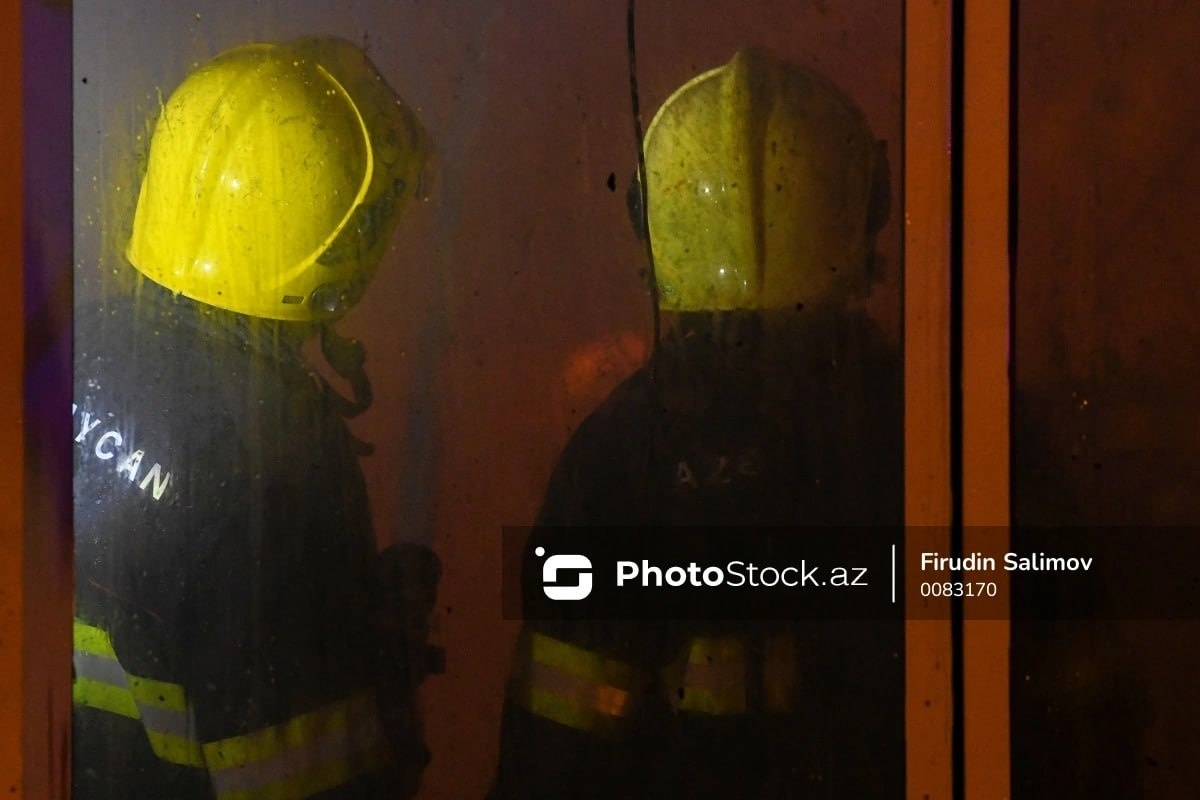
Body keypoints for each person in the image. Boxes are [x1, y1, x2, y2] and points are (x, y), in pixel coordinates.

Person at [489, 49, 903, 798]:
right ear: (863, 216)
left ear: (656, 228)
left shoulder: (619, 455)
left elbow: (555, 760)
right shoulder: (936, 427)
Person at [72, 37, 440, 799]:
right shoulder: (282, 462)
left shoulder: (72, 349)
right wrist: (376, 679)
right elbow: (309, 783)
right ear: (337, 242)